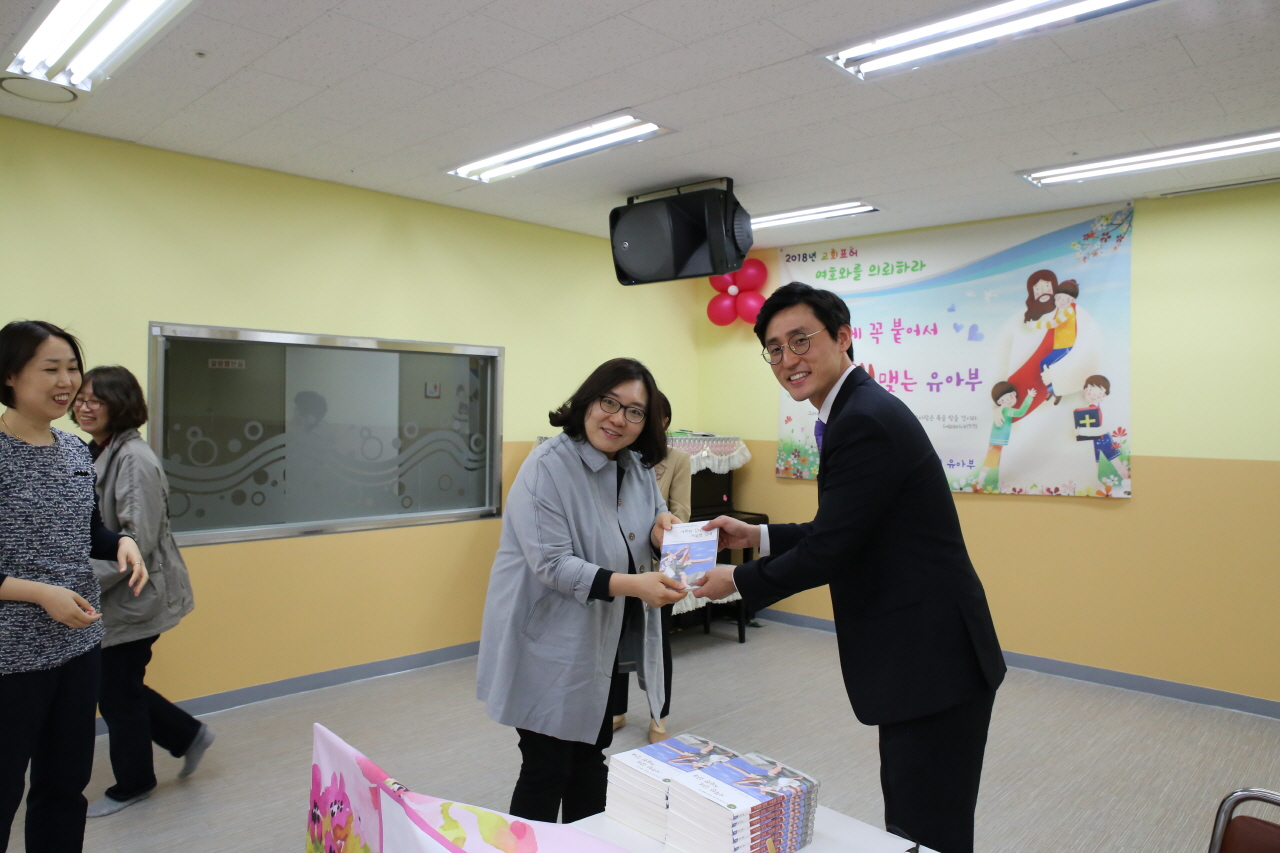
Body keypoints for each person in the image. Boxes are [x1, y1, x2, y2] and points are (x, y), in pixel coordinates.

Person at [693, 284, 1007, 853]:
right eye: (774, 349)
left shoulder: (863, 419)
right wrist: (757, 536)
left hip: (931, 662)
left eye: (800, 340)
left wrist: (736, 581)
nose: (788, 359)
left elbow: (831, 549)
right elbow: (846, 530)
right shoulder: (855, 409)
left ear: (842, 337)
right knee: (920, 816)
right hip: (929, 655)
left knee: (926, 828)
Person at [476, 358, 686, 823]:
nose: (618, 419)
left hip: (598, 639)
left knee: (590, 758)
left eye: (634, 411)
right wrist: (635, 586)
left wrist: (660, 532)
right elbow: (553, 565)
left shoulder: (635, 467)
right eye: (609, 402)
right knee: (546, 766)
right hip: (545, 641)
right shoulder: (546, 466)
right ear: (587, 401)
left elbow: (644, 527)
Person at [0, 320, 147, 853]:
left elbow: (85, 530)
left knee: (65, 787)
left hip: (78, 646)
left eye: (72, 368)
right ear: (10, 375)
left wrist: (121, 541)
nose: (67, 382)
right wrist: (40, 593)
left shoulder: (73, 450)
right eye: (50, 369)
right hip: (10, 658)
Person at [69, 366, 210, 818]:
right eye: (81, 398)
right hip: (115, 598)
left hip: (137, 597)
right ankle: (186, 734)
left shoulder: (134, 458)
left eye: (96, 400)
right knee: (119, 686)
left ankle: (135, 782)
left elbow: (136, 542)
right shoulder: (96, 449)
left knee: (115, 692)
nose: (84, 407)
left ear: (121, 405)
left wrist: (70, 581)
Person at [611, 390, 691, 743]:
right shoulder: (616, 456)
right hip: (618, 566)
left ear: (664, 421)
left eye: (645, 414)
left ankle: (659, 717)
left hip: (659, 564)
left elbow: (681, 512)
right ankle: (615, 709)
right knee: (613, 637)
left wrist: (657, 526)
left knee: (657, 642)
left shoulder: (677, 459)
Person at [977, 382, 1035, 492]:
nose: (1008, 401)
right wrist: (1029, 397)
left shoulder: (1000, 410)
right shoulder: (1006, 410)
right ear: (999, 402)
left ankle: (981, 481)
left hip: (996, 439)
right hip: (998, 440)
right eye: (1004, 400)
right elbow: (1021, 412)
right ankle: (980, 482)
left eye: (1010, 397)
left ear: (1014, 394)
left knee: (992, 460)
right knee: (991, 461)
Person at [1033, 279, 1079, 404]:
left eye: (1067, 299)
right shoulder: (1060, 309)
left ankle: (1057, 389)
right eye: (1059, 298)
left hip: (1066, 346)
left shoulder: (1068, 310)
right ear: (1056, 297)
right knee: (1048, 365)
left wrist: (1035, 325)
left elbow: (1054, 323)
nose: (1062, 301)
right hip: (1060, 346)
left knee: (1046, 363)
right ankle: (1053, 389)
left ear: (1072, 300)